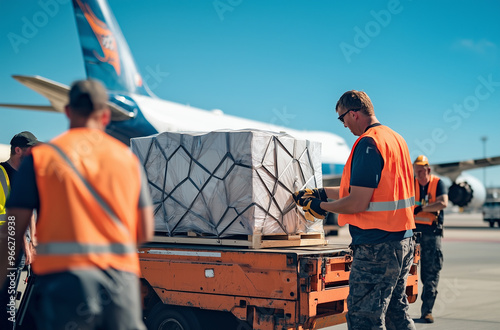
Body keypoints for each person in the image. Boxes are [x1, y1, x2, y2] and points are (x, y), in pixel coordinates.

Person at [0, 79, 154, 330]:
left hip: (66, 284)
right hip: (120, 284)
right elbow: (145, 231)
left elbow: (13, 231)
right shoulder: (128, 160)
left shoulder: (41, 159)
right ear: (105, 116)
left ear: (68, 112)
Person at [293, 90, 416, 329]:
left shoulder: (368, 143)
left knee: (363, 319)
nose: (344, 124)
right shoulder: (394, 138)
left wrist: (320, 207)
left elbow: (358, 202)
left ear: (354, 113)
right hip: (403, 240)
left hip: (376, 246)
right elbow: (369, 191)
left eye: (342, 118)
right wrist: (321, 192)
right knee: (395, 313)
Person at [0, 131, 38, 330]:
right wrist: (24, 241)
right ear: (18, 150)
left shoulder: (25, 176)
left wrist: (34, 241)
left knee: (13, 299)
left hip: (20, 246)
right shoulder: (1, 173)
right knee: (7, 301)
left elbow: (28, 210)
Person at [413, 155, 448, 323]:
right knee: (405, 273)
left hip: (431, 234)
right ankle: (399, 311)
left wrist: (422, 209)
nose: (418, 174)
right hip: (412, 234)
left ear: (428, 170)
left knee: (430, 274)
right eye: (416, 171)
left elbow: (443, 202)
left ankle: (427, 311)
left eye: (421, 171)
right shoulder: (411, 184)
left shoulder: (437, 183)